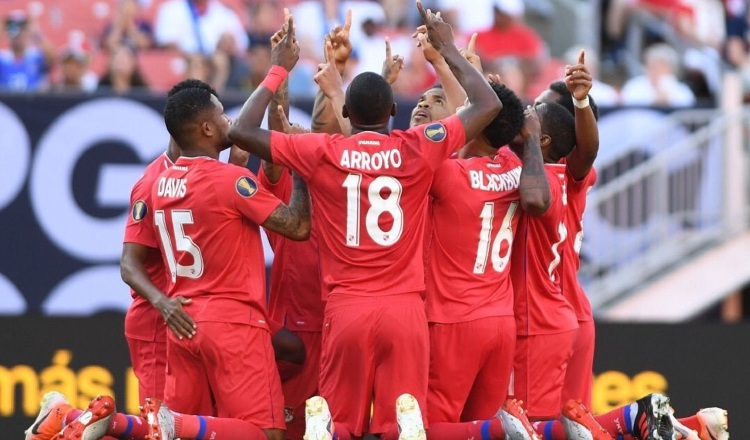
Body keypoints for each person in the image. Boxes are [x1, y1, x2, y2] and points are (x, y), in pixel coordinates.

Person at [226, 2, 501, 437]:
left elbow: (239, 132)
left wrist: (278, 71)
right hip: (405, 311)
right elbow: (487, 103)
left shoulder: (322, 151)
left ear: (347, 116)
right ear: (393, 109)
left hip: (347, 310)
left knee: (339, 427)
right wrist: (447, 48)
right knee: (402, 427)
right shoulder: (418, 146)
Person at [425, 80, 546, 423]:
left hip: (452, 319)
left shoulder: (449, 174)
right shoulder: (513, 169)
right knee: (484, 427)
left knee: (435, 425)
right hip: (499, 323)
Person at [120, 79, 222, 407]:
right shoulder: (151, 183)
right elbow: (129, 264)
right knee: (160, 424)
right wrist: (163, 304)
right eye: (219, 118)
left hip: (193, 321)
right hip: (158, 321)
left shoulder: (205, 171)